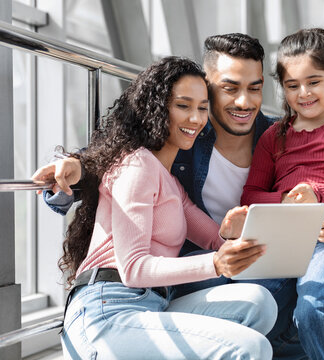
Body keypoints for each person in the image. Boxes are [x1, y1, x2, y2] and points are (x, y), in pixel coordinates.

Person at [33, 33, 324, 358]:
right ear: (206, 88)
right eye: (229, 88)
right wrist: (72, 168)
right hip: (179, 276)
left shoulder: (280, 133)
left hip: (244, 260)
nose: (243, 101)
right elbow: (107, 159)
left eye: (255, 88)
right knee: (301, 299)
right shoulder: (180, 137)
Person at [42, 56, 277, 359]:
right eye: (183, 106)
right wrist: (216, 263)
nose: (195, 118)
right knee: (251, 348)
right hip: (106, 314)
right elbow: (134, 268)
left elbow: (215, 239)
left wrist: (236, 230)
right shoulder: (136, 164)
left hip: (152, 304)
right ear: (156, 107)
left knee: (259, 303)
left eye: (202, 108)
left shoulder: (170, 184)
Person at [241, 28, 324, 359]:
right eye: (292, 85)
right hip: (280, 239)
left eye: (313, 82)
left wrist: (316, 193)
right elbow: (250, 196)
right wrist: (286, 201)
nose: (304, 93)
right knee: (255, 308)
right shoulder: (274, 136)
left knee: (314, 308)